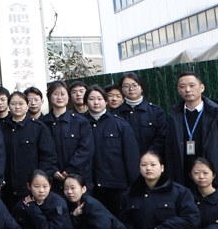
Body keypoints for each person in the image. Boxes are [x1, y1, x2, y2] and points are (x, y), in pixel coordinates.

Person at [164, 71, 218, 195]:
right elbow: (170, 152)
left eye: (192, 85)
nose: (187, 90)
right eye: (182, 86)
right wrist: (172, 182)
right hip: (184, 182)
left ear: (202, 87)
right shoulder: (175, 117)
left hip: (213, 181)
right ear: (178, 90)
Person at [85, 85, 139, 216]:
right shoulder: (80, 123)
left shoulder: (120, 124)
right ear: (86, 102)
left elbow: (131, 158)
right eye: (91, 99)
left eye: (99, 98)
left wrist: (135, 186)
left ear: (106, 101)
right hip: (89, 185)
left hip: (116, 184)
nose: (96, 102)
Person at [0, 91, 58, 211]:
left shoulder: (38, 127)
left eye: (21, 103)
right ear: (8, 106)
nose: (17, 107)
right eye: (13, 103)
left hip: (30, 188)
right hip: (7, 189)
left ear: (27, 106)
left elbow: (48, 157)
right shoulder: (1, 128)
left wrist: (40, 184)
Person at [41, 82, 94, 190]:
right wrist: (53, 169)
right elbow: (41, 151)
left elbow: (86, 149)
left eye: (63, 94)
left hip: (78, 180)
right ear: (49, 97)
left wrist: (69, 170)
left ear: (68, 96)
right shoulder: (42, 124)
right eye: (55, 94)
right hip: (51, 181)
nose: (59, 97)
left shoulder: (81, 122)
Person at [115, 72, 167, 154]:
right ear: (121, 90)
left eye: (135, 85)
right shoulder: (115, 114)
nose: (131, 89)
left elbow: (162, 137)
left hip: (150, 159)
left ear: (141, 88)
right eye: (126, 86)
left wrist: (149, 155)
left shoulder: (156, 112)